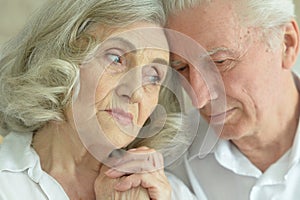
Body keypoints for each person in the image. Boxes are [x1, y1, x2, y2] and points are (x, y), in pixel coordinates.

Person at [0, 0, 193, 199]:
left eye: (153, 77)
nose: (135, 93)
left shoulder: (169, 194)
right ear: (62, 56)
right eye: (116, 58)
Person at [162, 0, 300, 199]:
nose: (199, 98)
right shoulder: (166, 163)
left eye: (220, 62)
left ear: (286, 44)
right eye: (181, 67)